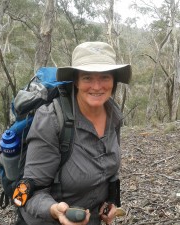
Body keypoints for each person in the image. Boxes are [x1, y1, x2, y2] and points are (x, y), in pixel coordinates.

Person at [18, 41, 132, 225]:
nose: (97, 86)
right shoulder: (52, 119)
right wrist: (55, 210)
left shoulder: (114, 114)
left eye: (104, 77)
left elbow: (109, 170)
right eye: (87, 78)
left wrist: (110, 202)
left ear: (114, 80)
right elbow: (30, 194)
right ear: (76, 80)